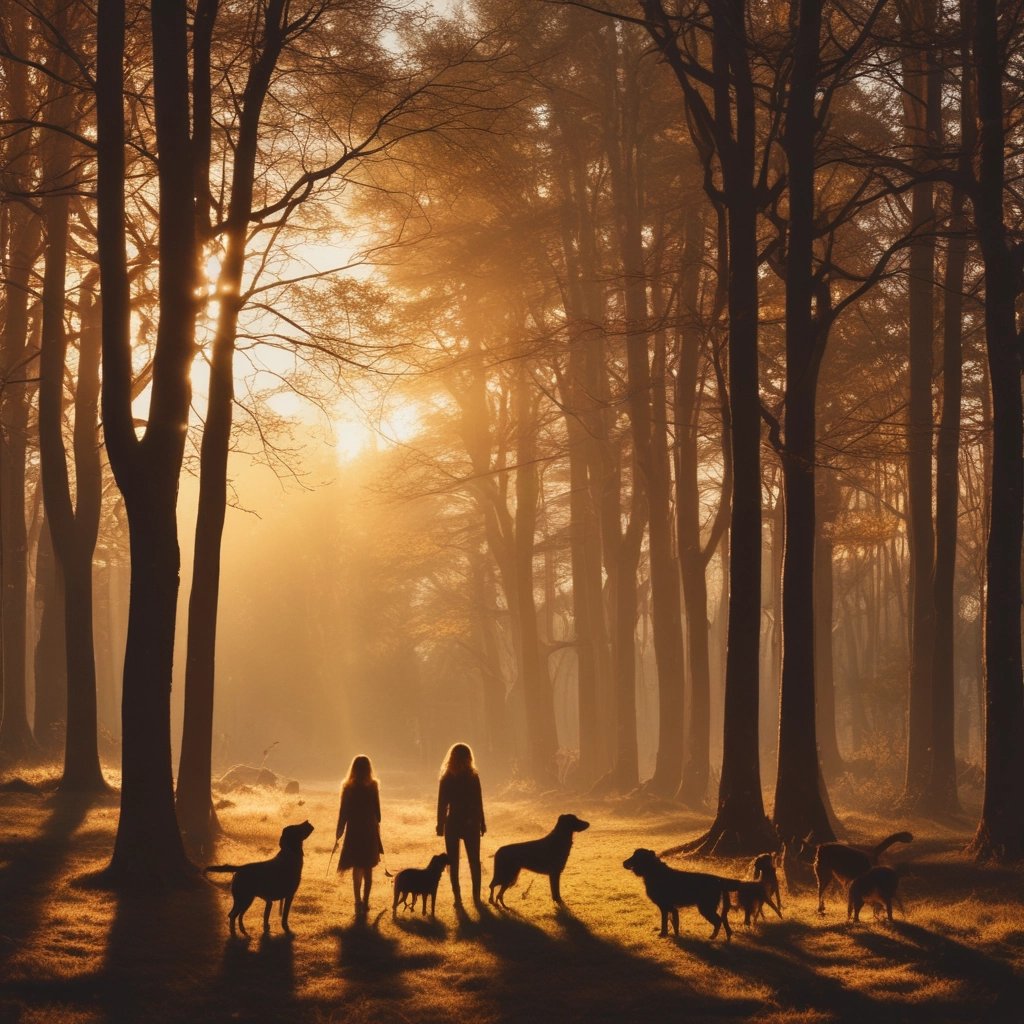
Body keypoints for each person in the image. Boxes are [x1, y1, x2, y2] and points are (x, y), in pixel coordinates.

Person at [436, 742, 486, 906]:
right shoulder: (473, 776)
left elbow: (442, 803)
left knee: (453, 862)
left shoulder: (447, 777)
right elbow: (479, 802)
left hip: (453, 821)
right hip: (471, 821)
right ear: (469, 757)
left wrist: (440, 824)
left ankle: (457, 898)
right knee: (474, 860)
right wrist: (482, 822)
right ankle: (476, 897)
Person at [336, 754, 382, 913]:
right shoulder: (373, 785)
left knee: (357, 866)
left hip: (354, 830)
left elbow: (343, 812)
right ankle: (366, 901)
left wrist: (339, 831)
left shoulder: (348, 786)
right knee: (368, 866)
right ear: (369, 768)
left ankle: (357, 901)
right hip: (369, 829)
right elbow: (378, 813)